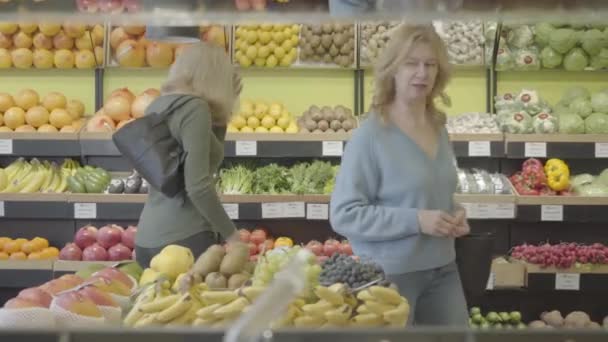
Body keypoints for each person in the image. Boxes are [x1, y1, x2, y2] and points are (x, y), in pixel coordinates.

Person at [329, 25, 470, 326]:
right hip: (389, 277)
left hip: (444, 268)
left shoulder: (438, 127)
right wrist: (417, 220)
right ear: (392, 69)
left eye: (430, 64)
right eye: (412, 63)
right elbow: (344, 214)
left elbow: (435, 192)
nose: (422, 73)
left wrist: (454, 214)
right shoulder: (370, 136)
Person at [135, 42, 241, 268]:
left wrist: (224, 106)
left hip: (146, 238)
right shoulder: (195, 109)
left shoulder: (157, 105)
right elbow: (198, 186)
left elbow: (212, 156)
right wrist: (232, 235)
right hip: (185, 237)